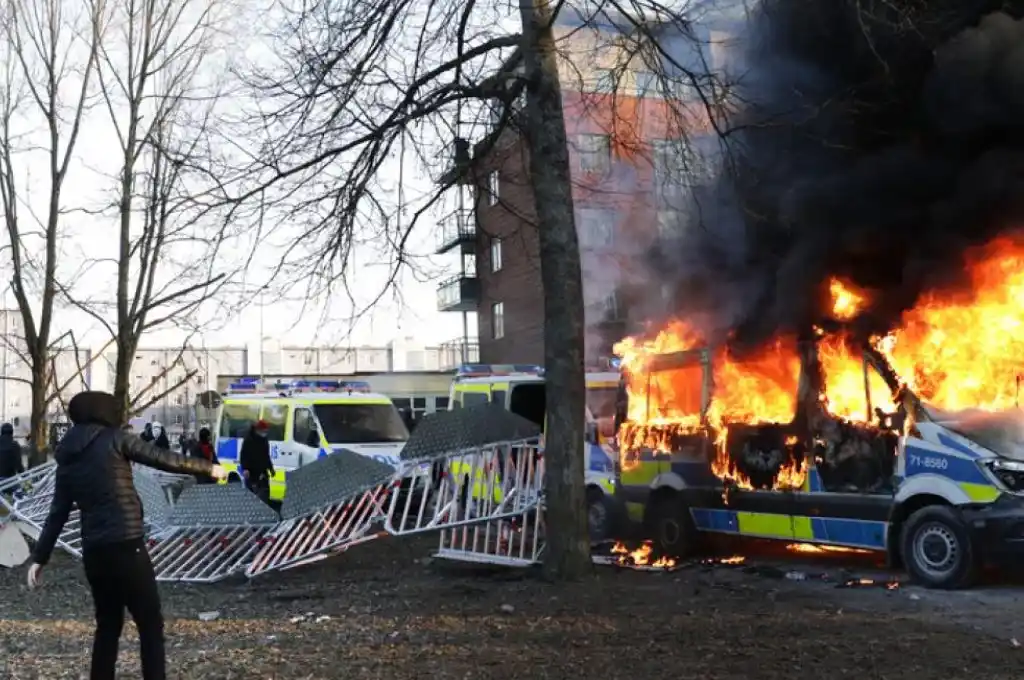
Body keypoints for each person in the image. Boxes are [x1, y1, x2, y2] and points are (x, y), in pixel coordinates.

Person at [26, 391, 226, 680]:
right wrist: (209, 467)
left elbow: (57, 512)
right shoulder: (115, 439)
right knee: (150, 624)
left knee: (108, 626)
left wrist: (39, 557)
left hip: (94, 552)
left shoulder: (67, 458)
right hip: (126, 545)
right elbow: (163, 458)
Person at [239, 419, 274, 502]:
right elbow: (243, 455)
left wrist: (271, 468)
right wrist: (245, 468)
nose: (265, 433)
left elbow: (266, 455)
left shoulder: (264, 440)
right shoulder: (249, 440)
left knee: (265, 494)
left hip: (263, 472)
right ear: (258, 430)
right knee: (252, 497)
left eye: (266, 431)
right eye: (264, 431)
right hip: (251, 472)